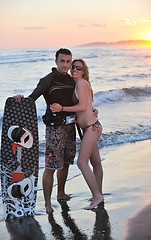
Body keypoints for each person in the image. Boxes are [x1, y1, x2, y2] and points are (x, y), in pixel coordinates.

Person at [15, 48, 76, 214]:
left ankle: (61, 193)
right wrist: (21, 99)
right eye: (62, 61)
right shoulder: (47, 80)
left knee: (66, 162)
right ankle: (48, 203)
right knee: (51, 166)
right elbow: (32, 98)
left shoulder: (72, 80)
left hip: (71, 127)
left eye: (68, 61)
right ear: (56, 61)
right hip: (55, 129)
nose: (65, 65)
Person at [50, 59, 104, 210]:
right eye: (73, 67)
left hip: (91, 128)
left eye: (78, 68)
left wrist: (61, 109)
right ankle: (97, 194)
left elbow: (82, 106)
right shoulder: (81, 84)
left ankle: (97, 196)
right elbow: (89, 106)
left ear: (84, 71)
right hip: (91, 127)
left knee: (82, 162)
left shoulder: (81, 83)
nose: (74, 69)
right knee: (96, 163)